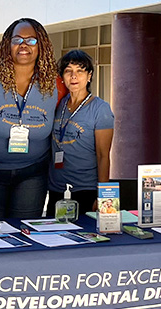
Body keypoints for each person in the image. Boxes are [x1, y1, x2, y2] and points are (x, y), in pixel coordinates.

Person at [0, 18, 66, 220]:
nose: (24, 45)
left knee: (25, 234)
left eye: (31, 40)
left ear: (41, 45)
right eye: (17, 39)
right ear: (8, 43)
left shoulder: (55, 83)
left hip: (32, 174)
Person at [47, 50, 114, 215]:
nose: (74, 76)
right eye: (68, 71)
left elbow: (103, 155)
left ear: (89, 76)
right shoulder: (58, 104)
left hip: (86, 190)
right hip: (56, 189)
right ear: (62, 76)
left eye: (80, 71)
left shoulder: (100, 109)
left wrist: (103, 196)